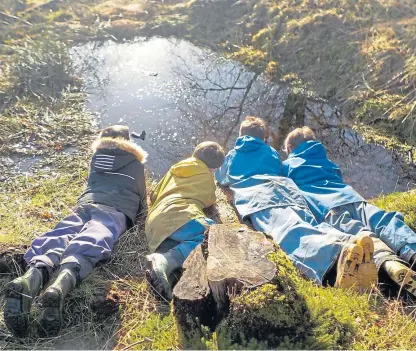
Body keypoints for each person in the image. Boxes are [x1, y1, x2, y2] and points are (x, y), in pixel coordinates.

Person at [4, 125, 148, 338]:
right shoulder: (135, 164)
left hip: (85, 205)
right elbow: (142, 202)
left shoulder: (96, 157)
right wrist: (139, 221)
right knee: (95, 237)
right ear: (129, 142)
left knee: (60, 234)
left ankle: (30, 278)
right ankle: (59, 287)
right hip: (115, 208)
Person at [216, 116, 377, 289]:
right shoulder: (271, 152)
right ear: (263, 138)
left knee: (286, 231)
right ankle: (351, 240)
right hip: (286, 190)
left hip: (259, 196)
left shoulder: (232, 156)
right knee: (308, 222)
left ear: (241, 136)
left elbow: (220, 177)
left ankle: (336, 255)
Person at [282, 126, 416, 296]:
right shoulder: (326, 161)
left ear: (290, 148)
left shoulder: (287, 166)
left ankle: (388, 263)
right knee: (384, 221)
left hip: (326, 207)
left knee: (360, 232)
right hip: (353, 198)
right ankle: (412, 251)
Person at [145, 141, 225, 300]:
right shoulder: (206, 175)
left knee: (182, 242)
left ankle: (167, 271)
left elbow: (153, 195)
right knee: (217, 236)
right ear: (213, 169)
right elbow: (210, 200)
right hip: (181, 214)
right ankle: (165, 260)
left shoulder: (174, 169)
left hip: (154, 222)